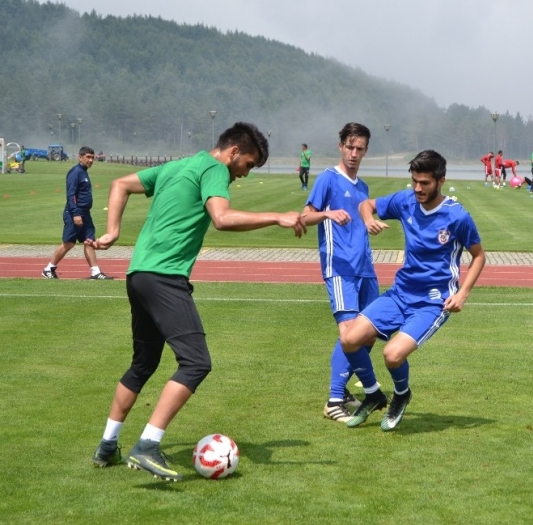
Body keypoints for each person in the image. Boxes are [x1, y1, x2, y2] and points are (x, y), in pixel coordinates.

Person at [88, 122, 306, 480]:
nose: (245, 174)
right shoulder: (215, 169)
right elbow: (221, 218)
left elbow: (120, 185)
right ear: (234, 152)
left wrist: (113, 231)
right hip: (164, 277)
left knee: (143, 364)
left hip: (138, 274)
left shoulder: (179, 165)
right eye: (248, 165)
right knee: (195, 363)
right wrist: (276, 217)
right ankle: (147, 445)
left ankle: (107, 445)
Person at [340, 149, 485, 431]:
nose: (418, 188)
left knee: (392, 355)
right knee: (349, 339)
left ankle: (402, 394)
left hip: (432, 303)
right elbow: (366, 205)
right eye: (414, 181)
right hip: (399, 293)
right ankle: (372, 394)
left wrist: (463, 293)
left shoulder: (457, 217)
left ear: (441, 181)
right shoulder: (405, 201)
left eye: (425, 183)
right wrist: (368, 219)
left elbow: (479, 255)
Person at [302, 123, 378, 423]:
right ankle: (334, 399)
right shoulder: (328, 180)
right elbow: (305, 217)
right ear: (340, 146)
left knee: (370, 333)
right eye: (350, 146)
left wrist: (370, 225)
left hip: (366, 270)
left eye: (359, 149)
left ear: (366, 151)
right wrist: (328, 214)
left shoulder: (363, 187)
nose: (354, 153)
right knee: (349, 334)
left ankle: (343, 389)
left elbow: (363, 221)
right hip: (340, 268)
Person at [42, 146, 112, 280]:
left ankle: (95, 272)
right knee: (69, 243)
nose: (91, 160)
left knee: (89, 241)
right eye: (88, 157)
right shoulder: (75, 172)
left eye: (92, 157)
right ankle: (49, 268)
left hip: (85, 213)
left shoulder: (84, 172)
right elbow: (71, 195)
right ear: (80, 157)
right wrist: (75, 214)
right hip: (75, 213)